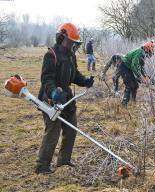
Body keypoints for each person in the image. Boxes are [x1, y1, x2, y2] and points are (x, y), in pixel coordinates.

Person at [36, 22, 94, 174]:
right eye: (71, 42)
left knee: (71, 128)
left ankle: (64, 160)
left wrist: (85, 81)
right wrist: (54, 92)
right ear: (62, 38)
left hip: (67, 98)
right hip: (51, 98)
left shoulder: (71, 55)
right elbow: (46, 79)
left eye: (75, 43)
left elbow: (74, 75)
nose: (73, 45)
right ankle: (42, 165)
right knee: (53, 131)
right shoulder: (51, 55)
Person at [119, 41, 155, 108]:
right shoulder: (140, 52)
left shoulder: (143, 53)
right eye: (152, 49)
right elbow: (134, 65)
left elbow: (141, 67)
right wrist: (140, 76)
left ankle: (133, 101)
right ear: (147, 48)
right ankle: (124, 104)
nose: (153, 51)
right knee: (129, 85)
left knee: (135, 85)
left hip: (128, 68)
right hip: (124, 67)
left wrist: (145, 76)